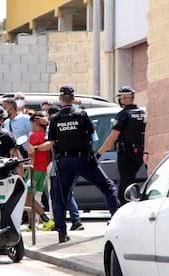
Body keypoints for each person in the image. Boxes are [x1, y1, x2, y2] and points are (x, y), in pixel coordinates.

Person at [29, 85, 120, 243]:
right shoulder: (81, 114)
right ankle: (118, 223)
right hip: (83, 159)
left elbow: (50, 143)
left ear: (60, 100)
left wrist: (37, 147)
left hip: (64, 162)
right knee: (108, 187)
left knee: (60, 197)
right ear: (73, 98)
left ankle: (61, 233)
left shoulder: (55, 118)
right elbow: (94, 137)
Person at [96, 86, 146, 205]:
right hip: (141, 151)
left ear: (124, 98)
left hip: (126, 152)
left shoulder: (123, 115)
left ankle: (131, 207)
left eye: (120, 97)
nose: (119, 99)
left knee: (127, 182)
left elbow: (113, 137)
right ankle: (121, 209)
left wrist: (99, 154)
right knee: (125, 183)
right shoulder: (143, 113)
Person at [25, 111, 55, 232]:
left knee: (28, 198)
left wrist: (29, 169)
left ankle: (46, 220)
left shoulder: (34, 136)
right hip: (43, 169)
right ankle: (32, 225)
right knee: (34, 197)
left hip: (34, 169)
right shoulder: (46, 136)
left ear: (35, 123)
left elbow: (31, 154)